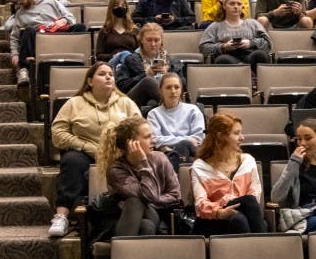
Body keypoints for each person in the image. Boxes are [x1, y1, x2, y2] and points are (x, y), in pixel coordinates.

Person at [48, 64, 142, 236]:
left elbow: (140, 130)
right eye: (102, 74)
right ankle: (62, 216)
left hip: (119, 155)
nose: (108, 77)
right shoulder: (75, 103)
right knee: (71, 160)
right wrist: (85, 146)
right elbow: (57, 133)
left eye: (111, 74)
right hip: (85, 153)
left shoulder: (126, 103)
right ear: (90, 81)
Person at [101, 118, 181, 238]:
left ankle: (120, 248)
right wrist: (143, 163)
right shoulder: (116, 170)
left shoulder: (160, 158)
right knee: (145, 224)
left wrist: (155, 200)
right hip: (128, 219)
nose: (153, 141)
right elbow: (148, 195)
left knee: (137, 202)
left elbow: (175, 195)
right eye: (147, 137)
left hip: (161, 214)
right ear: (132, 143)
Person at [189, 113, 265, 235]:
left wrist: (232, 204)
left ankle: (258, 245)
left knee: (243, 212)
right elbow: (200, 204)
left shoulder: (248, 161)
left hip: (243, 215)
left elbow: (254, 197)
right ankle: (264, 245)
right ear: (220, 136)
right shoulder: (200, 167)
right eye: (236, 133)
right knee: (239, 217)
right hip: (211, 220)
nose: (242, 138)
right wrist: (220, 211)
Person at [6, 0, 82, 81]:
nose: (18, 2)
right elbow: (14, 37)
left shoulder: (50, 1)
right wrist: (15, 54)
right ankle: (23, 69)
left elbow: (71, 18)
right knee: (28, 31)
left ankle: (79, 60)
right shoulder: (20, 14)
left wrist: (64, 20)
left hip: (58, 35)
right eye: (16, 1)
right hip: (38, 42)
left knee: (80, 27)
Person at [108, 24, 177, 105]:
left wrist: (168, 74)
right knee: (148, 81)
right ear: (141, 40)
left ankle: (169, 106)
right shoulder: (130, 59)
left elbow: (183, 85)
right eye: (149, 40)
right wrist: (145, 75)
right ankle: (173, 106)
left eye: (156, 40)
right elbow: (121, 86)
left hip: (156, 101)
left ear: (161, 41)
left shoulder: (171, 61)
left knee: (152, 103)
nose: (153, 44)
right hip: (135, 101)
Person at [145, 74, 203, 169]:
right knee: (184, 147)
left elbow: (198, 138)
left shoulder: (193, 110)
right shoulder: (153, 114)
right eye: (168, 87)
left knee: (184, 146)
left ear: (181, 90)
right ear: (161, 90)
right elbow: (155, 140)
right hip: (166, 153)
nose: (173, 91)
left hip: (191, 152)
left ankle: (172, 173)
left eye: (176, 87)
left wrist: (174, 142)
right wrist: (186, 140)